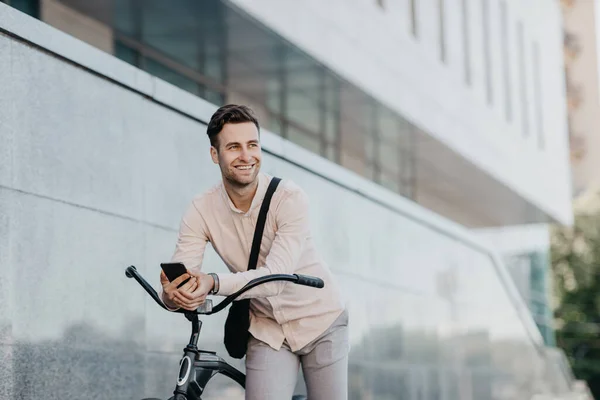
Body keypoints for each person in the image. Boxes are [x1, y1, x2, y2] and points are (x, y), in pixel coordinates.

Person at [159, 104, 349, 399]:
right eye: (234, 147)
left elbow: (275, 279)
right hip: (266, 328)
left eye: (252, 145)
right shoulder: (201, 208)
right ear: (215, 154)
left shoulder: (289, 197)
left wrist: (212, 282)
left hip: (320, 319)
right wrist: (175, 294)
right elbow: (182, 271)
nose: (246, 156)